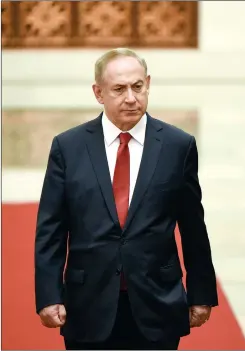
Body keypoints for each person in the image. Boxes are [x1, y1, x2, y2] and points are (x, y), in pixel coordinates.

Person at [34, 48, 218, 350]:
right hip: (87, 303)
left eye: (138, 87)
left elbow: (193, 227)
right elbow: (51, 230)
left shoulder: (177, 146)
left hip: (157, 300)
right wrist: (48, 295)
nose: (131, 98)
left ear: (148, 83)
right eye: (119, 89)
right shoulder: (68, 147)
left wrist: (201, 293)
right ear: (98, 93)